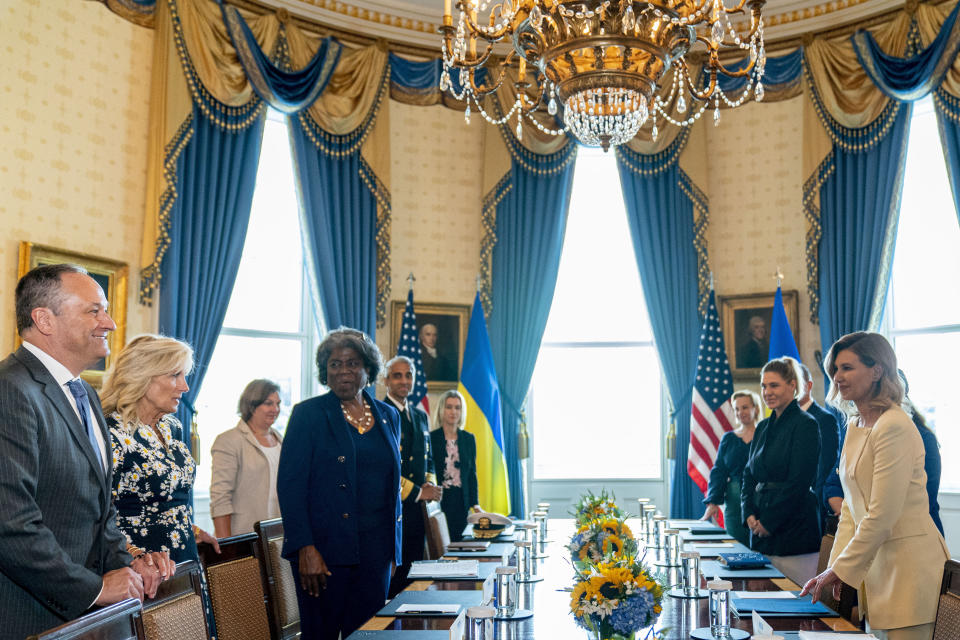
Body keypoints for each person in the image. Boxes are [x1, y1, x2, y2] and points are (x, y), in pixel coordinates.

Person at [0, 264, 172, 639]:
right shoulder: (10, 391)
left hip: (91, 619)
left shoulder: (85, 394)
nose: (109, 322)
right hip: (32, 618)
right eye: (94, 310)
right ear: (44, 320)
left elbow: (100, 509)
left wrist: (129, 566)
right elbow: (10, 524)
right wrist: (93, 589)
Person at [801, 332, 949, 640]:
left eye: (847, 368)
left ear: (877, 370)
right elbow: (852, 514)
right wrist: (835, 570)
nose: (837, 377)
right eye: (835, 369)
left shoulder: (894, 425)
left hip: (910, 573)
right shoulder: (855, 425)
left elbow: (881, 515)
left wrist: (839, 570)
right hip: (878, 573)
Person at [278, 328, 401, 640]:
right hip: (323, 553)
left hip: (375, 553)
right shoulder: (308, 415)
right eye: (335, 364)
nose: (343, 371)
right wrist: (305, 547)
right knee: (321, 634)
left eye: (352, 363)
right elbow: (290, 487)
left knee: (367, 635)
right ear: (325, 371)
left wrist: (393, 551)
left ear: (368, 369)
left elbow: (391, 486)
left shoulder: (388, 415)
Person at [100, 335, 220, 563]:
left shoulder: (171, 427)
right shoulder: (109, 432)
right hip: (139, 566)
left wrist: (192, 530)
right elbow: (97, 515)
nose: (185, 387)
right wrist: (135, 557)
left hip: (183, 555)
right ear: (142, 377)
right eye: (175, 375)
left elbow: (166, 500)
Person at [741, 357, 821, 585]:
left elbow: (799, 481)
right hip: (759, 529)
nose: (767, 392)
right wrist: (749, 514)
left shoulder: (806, 424)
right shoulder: (763, 427)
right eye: (764, 386)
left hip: (794, 530)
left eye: (774, 385)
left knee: (794, 608)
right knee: (760, 600)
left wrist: (769, 523)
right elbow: (749, 474)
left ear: (792, 385)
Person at [382, 356, 443, 596]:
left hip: (417, 513)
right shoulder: (380, 414)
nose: (404, 381)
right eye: (397, 376)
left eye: (408, 376)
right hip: (391, 511)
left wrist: (431, 485)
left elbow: (428, 457)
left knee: (414, 579)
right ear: (386, 380)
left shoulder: (419, 416)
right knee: (394, 583)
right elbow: (385, 468)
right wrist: (418, 491)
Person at [210, 379, 285, 537]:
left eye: (278, 403)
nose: (275, 409)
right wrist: (227, 545)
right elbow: (220, 498)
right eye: (268, 403)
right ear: (252, 406)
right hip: (244, 534)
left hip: (278, 535)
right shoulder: (229, 440)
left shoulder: (281, 439)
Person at [701, 390, 761, 547]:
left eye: (745, 407)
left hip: (761, 500)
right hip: (734, 503)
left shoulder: (765, 435)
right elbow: (719, 471)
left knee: (760, 550)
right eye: (737, 409)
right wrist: (713, 502)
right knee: (735, 547)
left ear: (755, 408)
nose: (741, 412)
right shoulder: (728, 438)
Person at [430, 389, 480, 542]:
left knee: (461, 545)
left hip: (461, 502)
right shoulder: (432, 438)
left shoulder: (468, 439)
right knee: (442, 545)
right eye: (449, 407)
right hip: (440, 502)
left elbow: (471, 474)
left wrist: (475, 504)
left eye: (457, 407)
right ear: (441, 410)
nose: (453, 411)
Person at [796, 362, 841, 526]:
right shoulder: (783, 421)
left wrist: (818, 508)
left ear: (808, 386)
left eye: (796, 383)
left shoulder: (824, 419)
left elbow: (825, 468)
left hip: (812, 508)